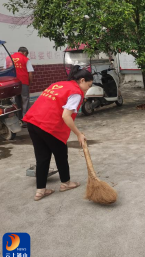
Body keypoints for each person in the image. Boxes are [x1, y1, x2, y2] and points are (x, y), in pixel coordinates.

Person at [23, 65, 93, 201]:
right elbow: (66, 116)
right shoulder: (76, 92)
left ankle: (40, 190)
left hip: (33, 121)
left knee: (42, 157)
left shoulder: (59, 84)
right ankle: (65, 183)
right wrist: (78, 134)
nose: (88, 89)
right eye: (88, 86)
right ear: (82, 80)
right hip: (49, 125)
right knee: (61, 154)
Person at [7, 47, 34, 123]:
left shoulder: (8, 58)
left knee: (17, 100)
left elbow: (5, 69)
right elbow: (30, 73)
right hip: (23, 82)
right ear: (25, 52)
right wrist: (30, 82)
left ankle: (19, 118)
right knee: (25, 100)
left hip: (12, 83)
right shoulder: (25, 59)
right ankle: (26, 120)